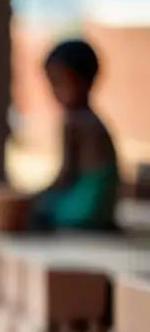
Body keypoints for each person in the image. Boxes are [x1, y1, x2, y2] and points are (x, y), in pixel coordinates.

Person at [30, 38, 120, 232]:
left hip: (86, 207)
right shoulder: (95, 120)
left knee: (38, 210)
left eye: (59, 83)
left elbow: (66, 174)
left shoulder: (74, 121)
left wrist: (36, 198)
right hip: (105, 208)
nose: (55, 92)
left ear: (85, 82)